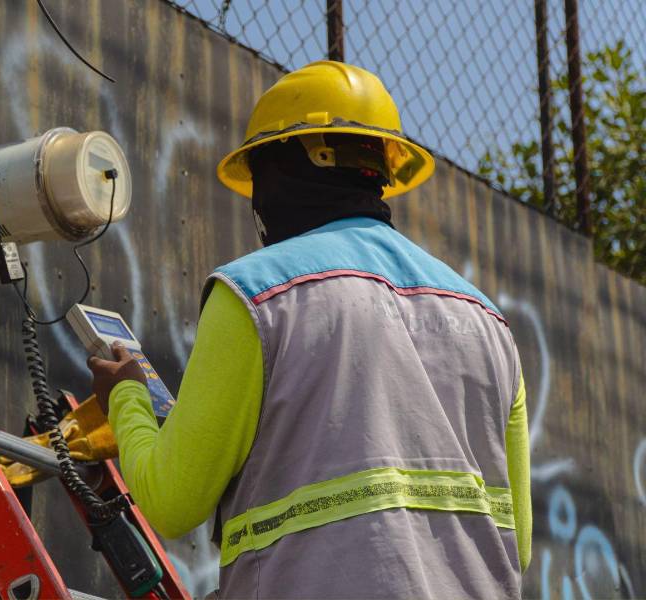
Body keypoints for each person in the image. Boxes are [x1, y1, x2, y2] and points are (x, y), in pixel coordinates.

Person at [88, 60, 531, 599]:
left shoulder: (256, 294)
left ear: (280, 171)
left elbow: (172, 501)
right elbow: (518, 543)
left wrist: (127, 398)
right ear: (381, 169)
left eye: (258, 176)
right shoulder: (488, 321)